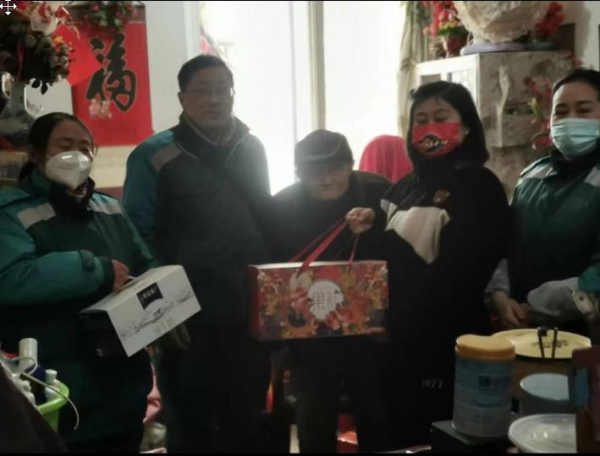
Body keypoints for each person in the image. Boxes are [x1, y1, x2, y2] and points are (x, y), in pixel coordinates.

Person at [347, 81, 511, 448]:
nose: (429, 127)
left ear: (465, 126)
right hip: (394, 343)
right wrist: (369, 221)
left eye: (441, 117)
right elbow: (385, 253)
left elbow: (460, 276)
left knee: (431, 436)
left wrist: (394, 322)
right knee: (391, 433)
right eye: (420, 120)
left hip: (441, 343)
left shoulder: (479, 187)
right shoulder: (406, 185)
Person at [122, 54, 271, 453]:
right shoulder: (154, 155)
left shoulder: (252, 148)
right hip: (187, 317)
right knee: (191, 423)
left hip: (248, 310)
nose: (214, 99)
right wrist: (162, 308)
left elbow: (266, 220)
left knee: (247, 417)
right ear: (182, 98)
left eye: (222, 90)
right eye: (203, 90)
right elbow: (135, 235)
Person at [0, 113, 155, 452]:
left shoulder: (110, 209)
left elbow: (144, 268)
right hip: (57, 392)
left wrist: (164, 307)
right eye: (65, 146)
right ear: (35, 153)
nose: (77, 155)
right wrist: (94, 269)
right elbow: (10, 278)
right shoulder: (10, 212)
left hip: (123, 390)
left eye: (85, 147)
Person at [263, 130, 392, 453]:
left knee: (377, 416)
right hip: (310, 337)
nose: (328, 177)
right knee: (314, 421)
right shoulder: (281, 207)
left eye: (337, 167)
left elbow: (400, 250)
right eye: (315, 170)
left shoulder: (377, 192)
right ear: (298, 173)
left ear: (351, 165)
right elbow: (272, 275)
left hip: (370, 331)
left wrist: (376, 220)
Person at [491, 69, 600, 335]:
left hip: (584, 336)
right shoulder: (532, 175)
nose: (570, 119)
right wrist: (499, 294)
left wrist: (537, 306)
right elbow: (500, 242)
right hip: (518, 327)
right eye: (560, 112)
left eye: (583, 110)